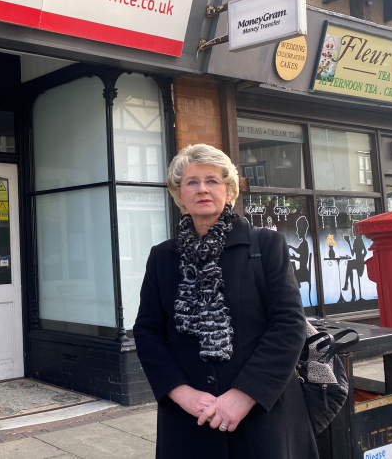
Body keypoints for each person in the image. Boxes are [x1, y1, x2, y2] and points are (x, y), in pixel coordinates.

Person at [134, 144, 316, 458]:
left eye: (212, 181)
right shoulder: (162, 257)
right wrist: (182, 394)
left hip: (262, 415)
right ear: (179, 197)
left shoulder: (266, 244)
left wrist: (244, 396)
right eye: (191, 182)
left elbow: (288, 324)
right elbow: (148, 331)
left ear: (229, 191)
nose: (202, 189)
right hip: (190, 420)